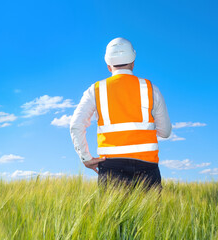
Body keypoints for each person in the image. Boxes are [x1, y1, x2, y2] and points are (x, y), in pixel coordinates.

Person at [69, 37, 171, 190]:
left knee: (113, 215)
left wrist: (86, 158)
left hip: (111, 168)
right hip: (147, 167)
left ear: (109, 65)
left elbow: (76, 125)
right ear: (133, 61)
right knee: (151, 215)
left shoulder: (95, 90)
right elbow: (165, 132)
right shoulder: (151, 89)